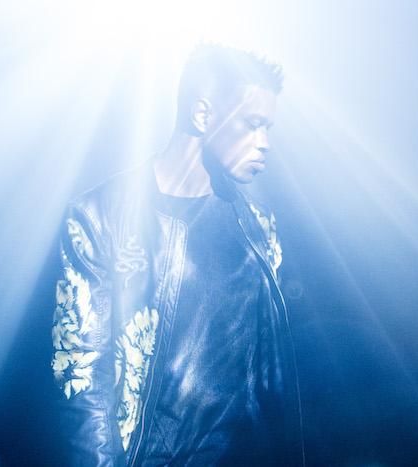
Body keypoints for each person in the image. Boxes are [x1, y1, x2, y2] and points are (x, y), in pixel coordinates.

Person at [50, 44, 305, 466]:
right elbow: (82, 384)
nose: (265, 144)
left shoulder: (259, 229)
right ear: (202, 114)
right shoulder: (99, 217)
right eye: (252, 124)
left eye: (268, 128)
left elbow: (270, 386)